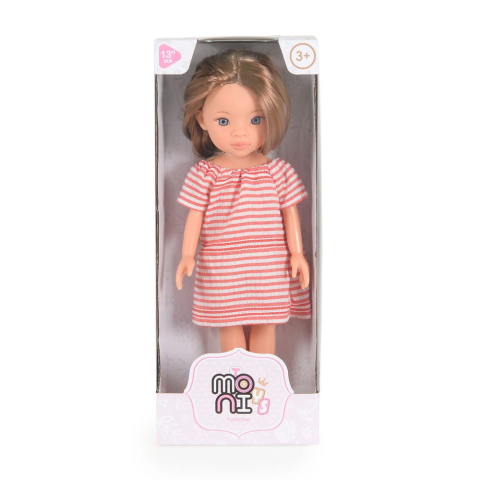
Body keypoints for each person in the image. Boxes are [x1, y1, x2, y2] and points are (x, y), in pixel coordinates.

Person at [176, 49, 311, 355]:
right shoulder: (205, 174)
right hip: (222, 265)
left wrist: (297, 254)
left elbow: (289, 213)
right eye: (223, 120)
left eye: (255, 119)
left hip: (268, 265)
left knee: (266, 323)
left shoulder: (278, 172)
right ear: (202, 118)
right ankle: (236, 379)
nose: (240, 132)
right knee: (228, 323)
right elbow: (195, 215)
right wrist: (187, 255)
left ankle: (263, 381)